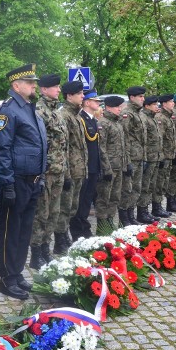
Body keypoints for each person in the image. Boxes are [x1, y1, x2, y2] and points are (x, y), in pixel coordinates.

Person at [0, 63, 47, 300]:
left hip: (32, 180)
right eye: (30, 82)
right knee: (11, 232)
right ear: (17, 85)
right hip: (16, 181)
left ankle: (17, 273)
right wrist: (6, 184)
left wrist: (41, 176)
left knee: (24, 231)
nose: (34, 85)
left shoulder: (28, 108)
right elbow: (2, 150)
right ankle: (7, 279)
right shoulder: (8, 111)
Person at [29, 73, 67, 269]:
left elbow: (63, 145)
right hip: (45, 172)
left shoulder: (57, 112)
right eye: (55, 87)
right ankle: (36, 252)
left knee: (54, 212)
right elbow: (37, 145)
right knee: (41, 214)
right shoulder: (39, 112)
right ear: (44, 90)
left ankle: (46, 248)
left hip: (58, 170)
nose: (59, 89)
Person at [55, 80, 87, 253]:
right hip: (70, 170)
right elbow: (63, 148)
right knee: (64, 207)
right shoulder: (64, 116)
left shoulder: (76, 115)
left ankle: (64, 235)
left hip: (78, 169)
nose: (83, 96)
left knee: (72, 207)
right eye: (80, 93)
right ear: (69, 95)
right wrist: (66, 174)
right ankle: (60, 240)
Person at [70, 89, 102, 241]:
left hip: (93, 165)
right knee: (80, 200)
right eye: (95, 101)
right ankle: (78, 230)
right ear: (87, 102)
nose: (98, 103)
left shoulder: (92, 120)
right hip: (84, 166)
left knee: (87, 199)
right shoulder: (81, 119)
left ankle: (84, 225)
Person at [95, 95, 128, 235]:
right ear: (109, 107)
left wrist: (126, 165)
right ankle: (101, 226)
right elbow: (101, 148)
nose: (120, 109)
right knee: (104, 197)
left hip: (118, 166)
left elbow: (122, 147)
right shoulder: (103, 123)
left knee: (115, 196)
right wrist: (106, 168)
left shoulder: (117, 123)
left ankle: (109, 221)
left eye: (121, 107)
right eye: (117, 107)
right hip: (108, 168)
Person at [118, 86, 147, 226]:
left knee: (136, 187)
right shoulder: (127, 114)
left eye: (143, 96)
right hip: (131, 157)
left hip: (139, 156)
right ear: (131, 97)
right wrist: (127, 161)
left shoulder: (139, 113)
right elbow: (124, 139)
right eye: (140, 96)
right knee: (127, 189)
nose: (143, 99)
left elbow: (142, 138)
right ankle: (123, 217)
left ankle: (130, 214)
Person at [138, 96, 168, 220]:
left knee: (151, 185)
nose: (157, 106)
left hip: (155, 157)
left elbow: (159, 139)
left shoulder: (153, 118)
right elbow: (143, 140)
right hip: (148, 157)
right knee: (145, 186)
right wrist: (144, 158)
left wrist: (160, 157)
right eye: (154, 104)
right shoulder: (145, 118)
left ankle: (147, 210)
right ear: (147, 106)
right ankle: (142, 211)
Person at [154, 94, 176, 213]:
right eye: (170, 102)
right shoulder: (161, 118)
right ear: (164, 104)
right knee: (159, 183)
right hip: (163, 156)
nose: (173, 103)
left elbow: (171, 139)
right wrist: (162, 156)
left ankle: (165, 204)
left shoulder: (169, 117)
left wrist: (173, 154)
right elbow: (160, 139)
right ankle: (157, 207)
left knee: (165, 181)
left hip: (169, 155)